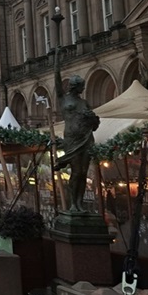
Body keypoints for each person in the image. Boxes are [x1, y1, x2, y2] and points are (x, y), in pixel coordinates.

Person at [55, 63, 100, 212]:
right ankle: (73, 203)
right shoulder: (64, 99)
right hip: (72, 140)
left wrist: (93, 118)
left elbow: (94, 126)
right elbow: (57, 80)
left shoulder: (84, 103)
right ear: (75, 86)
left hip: (86, 139)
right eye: (82, 86)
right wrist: (57, 58)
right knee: (76, 172)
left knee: (83, 173)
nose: (84, 89)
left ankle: (80, 203)